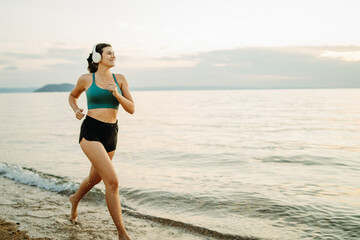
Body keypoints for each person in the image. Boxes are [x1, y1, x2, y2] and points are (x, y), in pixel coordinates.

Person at [68, 43, 134, 240]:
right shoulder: (86, 79)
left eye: (114, 53)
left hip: (111, 133)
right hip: (91, 131)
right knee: (112, 182)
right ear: (98, 57)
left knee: (94, 178)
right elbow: (72, 96)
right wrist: (76, 110)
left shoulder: (120, 79)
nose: (113, 56)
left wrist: (117, 94)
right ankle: (122, 234)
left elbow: (131, 108)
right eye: (109, 53)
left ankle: (74, 199)